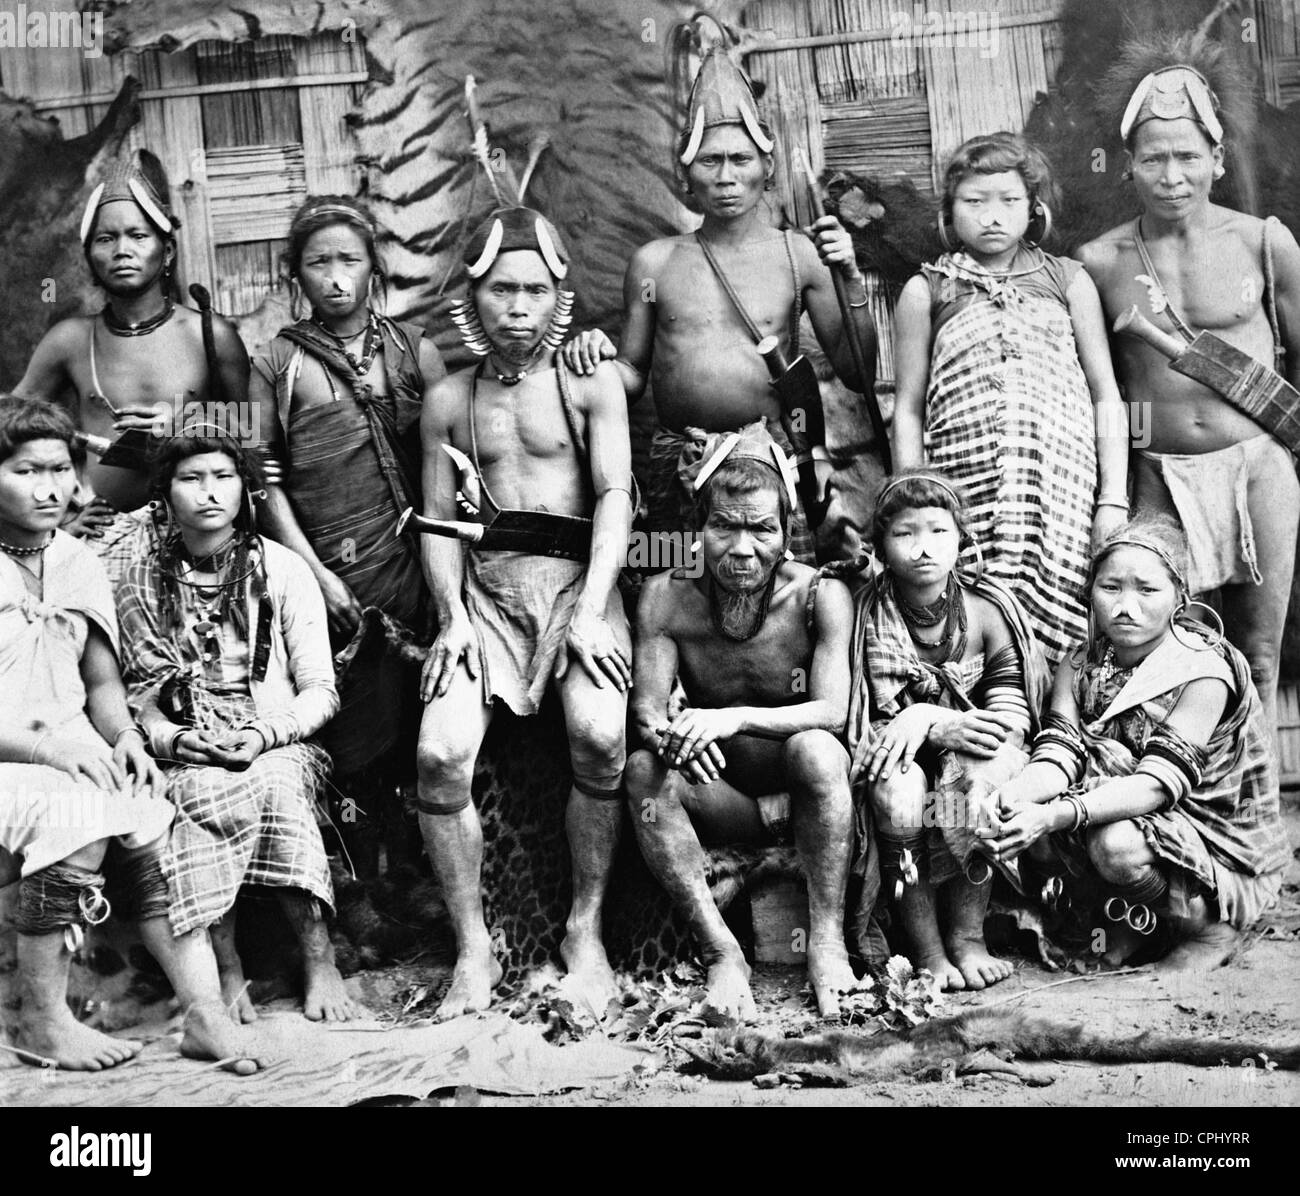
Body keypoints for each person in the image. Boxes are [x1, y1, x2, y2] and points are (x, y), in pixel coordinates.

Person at [416, 205, 634, 1020]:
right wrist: (452, 617)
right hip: (484, 597)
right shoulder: (447, 399)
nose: (518, 307)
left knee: (602, 735)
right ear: (474, 298)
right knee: (439, 754)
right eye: (502, 289)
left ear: (559, 298)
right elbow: (438, 523)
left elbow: (616, 498)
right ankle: (473, 948)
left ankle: (586, 931)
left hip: (579, 585)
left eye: (534, 290)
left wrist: (592, 612)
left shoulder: (589, 381)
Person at [0, 397, 260, 1072]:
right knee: (76, 810)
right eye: (27, 471)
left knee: (149, 813)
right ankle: (41, 1018)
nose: (51, 488)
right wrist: (52, 750)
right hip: (14, 752)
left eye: (61, 468)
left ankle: (202, 1014)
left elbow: (102, 685)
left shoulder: (77, 560)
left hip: (65, 745)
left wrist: (123, 740)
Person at [562, 48, 875, 562]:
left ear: (766, 166)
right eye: (710, 161)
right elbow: (632, 372)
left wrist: (850, 278)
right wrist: (591, 356)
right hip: (675, 465)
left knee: (779, 599)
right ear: (686, 174)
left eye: (740, 159)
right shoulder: (652, 268)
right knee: (667, 587)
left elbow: (857, 372)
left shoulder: (800, 257)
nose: (726, 176)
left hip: (770, 466)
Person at [1079, 38, 1300, 732]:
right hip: (1157, 479)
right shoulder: (1097, 261)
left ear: (1218, 160)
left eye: (1188, 156)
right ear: (1129, 167)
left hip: (1258, 468)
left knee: (1258, 657)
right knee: (1176, 661)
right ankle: (1192, 824)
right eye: (1154, 158)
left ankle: (1259, 824)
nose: (1172, 174)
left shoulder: (1264, 241)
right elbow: (1095, 388)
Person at [116, 430, 362, 1023]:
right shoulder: (141, 580)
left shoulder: (281, 569)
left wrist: (261, 736)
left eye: (223, 478)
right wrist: (177, 739)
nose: (209, 493)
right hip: (184, 749)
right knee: (198, 792)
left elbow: (320, 692)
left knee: (270, 782)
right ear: (164, 494)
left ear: (246, 489)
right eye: (191, 479)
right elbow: (132, 699)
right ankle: (224, 969)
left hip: (276, 740)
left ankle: (318, 956)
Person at [983, 515, 1290, 971]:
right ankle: (1134, 924)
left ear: (1178, 599)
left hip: (1208, 831)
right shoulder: (1079, 664)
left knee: (1114, 844)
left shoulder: (1203, 670)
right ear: (1090, 593)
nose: (1127, 607)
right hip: (1120, 804)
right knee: (1032, 823)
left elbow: (1156, 784)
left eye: (1147, 590)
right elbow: (1061, 751)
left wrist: (1050, 814)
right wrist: (1014, 796)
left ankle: (1207, 929)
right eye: (1111, 588)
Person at [625, 424, 858, 1019]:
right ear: (697, 527)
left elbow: (833, 712)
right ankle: (721, 952)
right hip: (727, 799)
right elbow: (648, 712)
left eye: (762, 528)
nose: (743, 547)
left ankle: (826, 944)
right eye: (724, 526)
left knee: (819, 750)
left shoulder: (818, 596)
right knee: (644, 773)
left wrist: (730, 718)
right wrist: (673, 739)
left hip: (803, 795)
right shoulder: (665, 596)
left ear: (786, 533)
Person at [250, 196, 446, 869]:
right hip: (333, 578)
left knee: (423, 729)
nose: (335, 276)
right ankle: (365, 885)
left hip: (416, 569)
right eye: (318, 262)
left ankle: (424, 876)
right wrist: (315, 575)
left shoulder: (413, 348)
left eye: (349, 260)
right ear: (295, 277)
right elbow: (262, 481)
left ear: (374, 269)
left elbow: (449, 460)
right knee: (355, 741)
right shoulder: (277, 363)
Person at [891, 132, 1128, 668]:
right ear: (950, 212)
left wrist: (1111, 500)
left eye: (1009, 201)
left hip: (1062, 490)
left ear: (1034, 208)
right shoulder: (927, 290)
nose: (992, 216)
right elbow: (907, 407)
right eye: (974, 202)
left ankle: (1055, 733)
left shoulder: (1068, 280)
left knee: (1066, 636)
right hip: (963, 487)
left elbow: (1106, 395)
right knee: (971, 614)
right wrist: (914, 503)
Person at [848, 470, 1049, 991]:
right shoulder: (865, 614)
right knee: (897, 789)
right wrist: (927, 723)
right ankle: (927, 947)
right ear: (879, 546)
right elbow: (861, 717)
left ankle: (967, 934)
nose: (923, 548)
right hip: (896, 748)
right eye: (905, 534)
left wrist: (939, 723)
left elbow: (1011, 719)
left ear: (962, 540)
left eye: (938, 532)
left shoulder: (985, 611)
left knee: (977, 780)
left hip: (975, 745)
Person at [13, 154, 250, 583]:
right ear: (88, 256)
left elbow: (261, 436)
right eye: (106, 239)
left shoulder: (209, 334)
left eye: (138, 235)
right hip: (103, 544)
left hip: (204, 537)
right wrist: (60, 517)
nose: (122, 250)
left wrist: (188, 425)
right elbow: (12, 432)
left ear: (167, 249)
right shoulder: (70, 339)